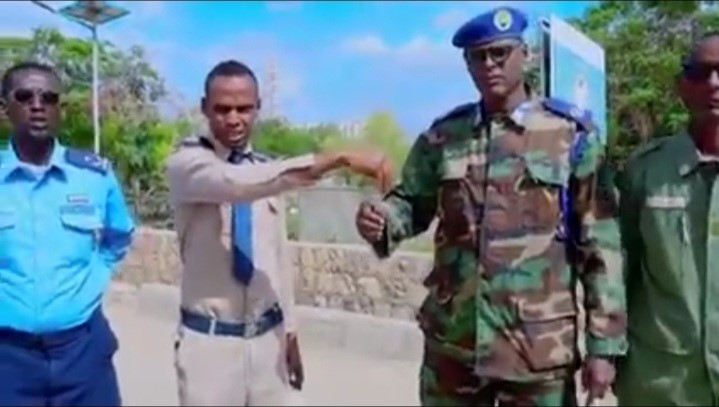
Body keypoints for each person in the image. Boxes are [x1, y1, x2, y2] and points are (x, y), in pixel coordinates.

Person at [354, 7, 626, 407]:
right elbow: (410, 203)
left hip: (537, 351)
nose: (489, 65)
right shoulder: (444, 137)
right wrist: (382, 220)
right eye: (477, 57)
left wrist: (604, 346)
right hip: (455, 346)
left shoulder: (570, 136)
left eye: (500, 53)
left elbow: (601, 244)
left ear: (524, 55)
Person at [166, 60, 391, 406]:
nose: (234, 119)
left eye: (244, 108)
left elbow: (278, 258)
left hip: (267, 343)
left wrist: (290, 332)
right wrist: (337, 158)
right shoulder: (188, 164)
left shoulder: (265, 170)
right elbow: (235, 183)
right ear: (205, 108)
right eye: (222, 109)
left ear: (257, 107)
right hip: (210, 347)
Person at [0, 62, 135, 406]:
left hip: (82, 353)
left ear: (59, 108)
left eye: (48, 98)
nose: (38, 105)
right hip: (7, 359)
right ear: (5, 108)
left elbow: (118, 236)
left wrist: (94, 279)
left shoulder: (93, 176)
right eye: (25, 96)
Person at [615, 31, 719, 406]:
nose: (714, 83)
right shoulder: (644, 171)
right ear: (682, 87)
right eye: (700, 72)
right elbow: (618, 270)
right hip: (663, 384)